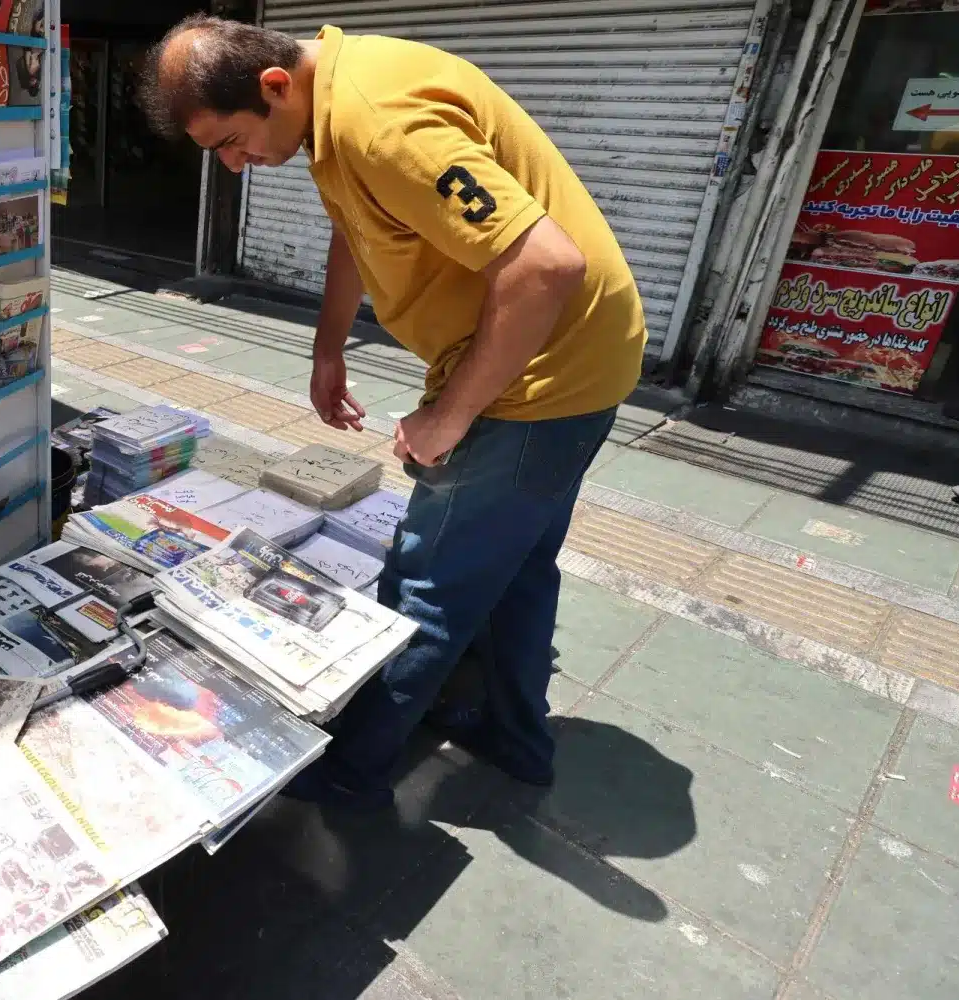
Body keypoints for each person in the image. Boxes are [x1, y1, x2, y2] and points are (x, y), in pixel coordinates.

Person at [139, 17, 646, 808]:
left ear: (274, 86)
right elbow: (358, 229)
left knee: (425, 585)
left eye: (232, 143)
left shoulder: (379, 123)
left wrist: (449, 418)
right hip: (580, 361)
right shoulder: (328, 107)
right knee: (517, 568)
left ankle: (349, 770)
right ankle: (516, 738)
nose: (235, 167)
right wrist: (328, 349)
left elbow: (546, 265)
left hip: (541, 377)